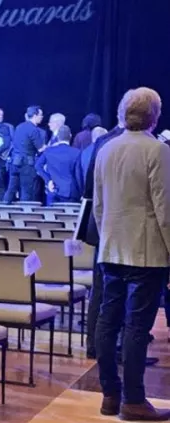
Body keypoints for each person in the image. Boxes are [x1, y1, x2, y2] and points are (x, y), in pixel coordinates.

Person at [94, 87, 170, 421]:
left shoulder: (106, 149)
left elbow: (98, 205)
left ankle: (110, 395)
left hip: (111, 248)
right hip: (146, 252)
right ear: (154, 115)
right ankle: (135, 400)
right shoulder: (158, 150)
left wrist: (108, 237)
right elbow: (164, 209)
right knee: (137, 326)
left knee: (107, 323)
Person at [81, 120, 125, 358]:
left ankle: (94, 345)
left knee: (99, 289)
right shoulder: (141, 144)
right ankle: (118, 348)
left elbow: (88, 189)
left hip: (100, 226)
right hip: (124, 228)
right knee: (123, 291)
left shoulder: (101, 141)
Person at [3, 105, 44, 202]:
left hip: (14, 163)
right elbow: (40, 149)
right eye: (40, 115)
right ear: (34, 115)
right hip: (27, 165)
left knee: (11, 189)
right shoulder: (34, 130)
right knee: (26, 191)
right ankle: (24, 214)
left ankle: (3, 209)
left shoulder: (19, 127)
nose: (42, 117)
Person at [36, 125, 81, 204]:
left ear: (57, 137)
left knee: (52, 215)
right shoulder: (77, 153)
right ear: (70, 136)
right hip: (71, 192)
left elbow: (38, 166)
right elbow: (79, 174)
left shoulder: (49, 151)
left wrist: (48, 180)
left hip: (53, 190)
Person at [74, 125, 107, 198]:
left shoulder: (83, 152)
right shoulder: (107, 150)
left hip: (87, 194)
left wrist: (83, 192)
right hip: (104, 194)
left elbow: (78, 174)